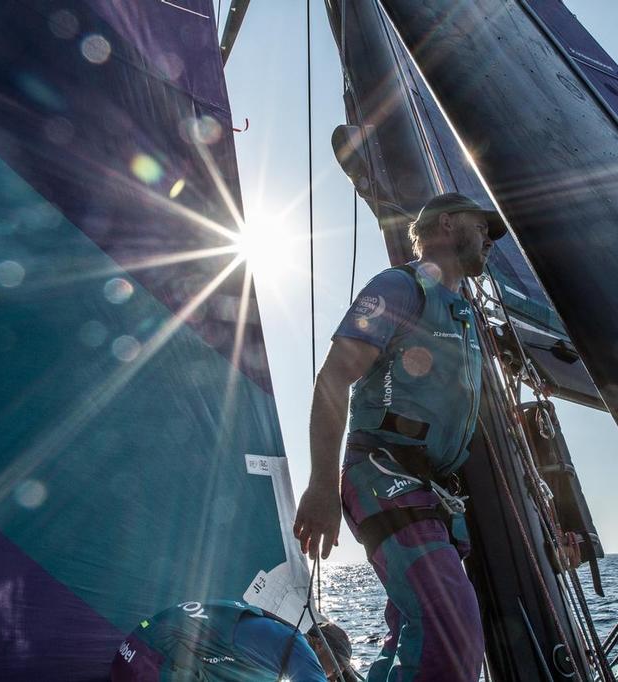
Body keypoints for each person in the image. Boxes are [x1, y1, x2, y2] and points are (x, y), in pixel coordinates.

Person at [293, 193, 507, 681]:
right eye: (483, 227)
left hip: (429, 491)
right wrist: (323, 486)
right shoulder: (398, 287)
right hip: (383, 475)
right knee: (448, 629)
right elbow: (333, 378)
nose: (490, 240)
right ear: (447, 223)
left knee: (408, 633)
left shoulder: (463, 314)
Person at [110, 598, 353, 681]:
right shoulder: (296, 644)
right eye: (338, 669)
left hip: (131, 655)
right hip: (151, 660)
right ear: (318, 644)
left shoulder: (270, 648)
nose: (333, 676)